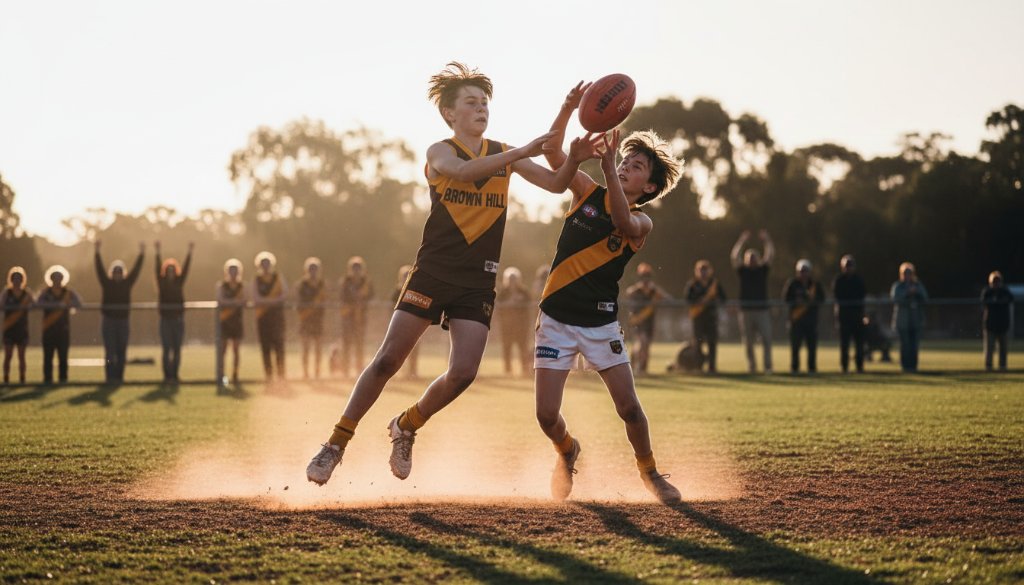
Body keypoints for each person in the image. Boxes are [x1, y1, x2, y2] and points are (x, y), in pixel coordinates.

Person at [306, 62, 599, 487]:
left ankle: (406, 425)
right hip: (433, 273)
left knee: (464, 373)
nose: (481, 109)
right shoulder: (440, 151)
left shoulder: (503, 151)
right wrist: (519, 153)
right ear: (449, 113)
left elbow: (557, 184)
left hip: (477, 280)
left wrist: (569, 129)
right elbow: (462, 172)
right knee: (388, 359)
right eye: (471, 102)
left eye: (485, 103)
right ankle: (335, 443)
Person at [532, 81, 684, 504]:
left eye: (635, 167)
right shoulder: (586, 192)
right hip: (557, 320)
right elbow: (554, 154)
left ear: (649, 188)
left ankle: (650, 473)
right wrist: (566, 110)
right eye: (625, 161)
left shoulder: (642, 224)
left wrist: (608, 168)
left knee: (630, 409)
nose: (624, 168)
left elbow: (621, 220)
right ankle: (567, 450)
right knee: (546, 416)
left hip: (600, 324)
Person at [94, 240, 145, 383]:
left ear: (123, 273)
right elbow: (99, 270)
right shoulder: (107, 283)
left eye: (120, 272)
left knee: (121, 350)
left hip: (123, 321)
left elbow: (136, 270)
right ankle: (110, 378)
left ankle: (119, 378)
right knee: (110, 350)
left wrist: (142, 254)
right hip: (109, 320)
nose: (118, 274)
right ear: (112, 273)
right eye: (115, 272)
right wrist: (97, 252)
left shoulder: (127, 283)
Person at [730, 229, 775, 373]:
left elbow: (770, 255)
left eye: (754, 258)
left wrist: (767, 240)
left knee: (767, 339)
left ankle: (768, 367)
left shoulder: (762, 270)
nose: (752, 260)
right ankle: (752, 367)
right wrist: (741, 241)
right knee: (748, 342)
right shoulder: (743, 271)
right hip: (746, 311)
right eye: (750, 258)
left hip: (762, 310)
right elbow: (734, 257)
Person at [155, 241, 193, 383]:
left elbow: (186, 268)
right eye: (168, 270)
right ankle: (166, 376)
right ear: (165, 272)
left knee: (177, 349)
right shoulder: (162, 283)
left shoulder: (179, 282)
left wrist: (189, 253)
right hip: (165, 319)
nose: (170, 272)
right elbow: (156, 268)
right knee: (166, 349)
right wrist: (157, 252)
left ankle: (175, 375)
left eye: (173, 270)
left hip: (178, 319)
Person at [37, 265, 82, 384]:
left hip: (63, 329)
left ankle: (63, 379)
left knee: (63, 356)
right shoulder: (46, 293)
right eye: (54, 278)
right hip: (48, 329)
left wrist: (67, 304)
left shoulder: (68, 292)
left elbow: (79, 303)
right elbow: (38, 303)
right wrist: (53, 305)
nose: (57, 280)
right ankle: (47, 380)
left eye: (59, 278)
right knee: (48, 357)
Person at [624, 262, 670, 377]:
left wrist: (657, 294)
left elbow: (668, 299)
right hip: (637, 321)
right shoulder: (635, 291)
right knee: (641, 343)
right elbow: (628, 294)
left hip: (649, 322)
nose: (645, 279)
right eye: (643, 276)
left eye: (647, 276)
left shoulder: (654, 291)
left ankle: (642, 368)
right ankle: (637, 367)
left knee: (645, 345)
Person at [684, 260, 726, 374]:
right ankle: (698, 367)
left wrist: (713, 301)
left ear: (710, 271)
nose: (703, 272)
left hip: (711, 318)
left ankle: (712, 367)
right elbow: (688, 299)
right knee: (698, 343)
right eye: (701, 270)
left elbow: (723, 299)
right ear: (696, 271)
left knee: (712, 342)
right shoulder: (692, 284)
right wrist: (700, 301)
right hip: (698, 318)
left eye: (705, 269)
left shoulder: (715, 284)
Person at [783, 259, 825, 374]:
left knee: (812, 347)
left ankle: (812, 369)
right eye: (801, 271)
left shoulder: (815, 285)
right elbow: (786, 299)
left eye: (805, 271)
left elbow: (822, 299)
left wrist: (811, 301)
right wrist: (797, 300)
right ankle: (794, 368)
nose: (803, 273)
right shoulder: (792, 284)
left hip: (811, 321)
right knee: (795, 347)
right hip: (796, 321)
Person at [253, 251, 287, 382]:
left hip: (277, 317)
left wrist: (267, 301)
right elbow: (255, 297)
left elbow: (284, 294)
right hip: (263, 318)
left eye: (267, 263)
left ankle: (281, 375)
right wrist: (273, 301)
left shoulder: (278, 277)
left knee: (279, 346)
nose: (265, 266)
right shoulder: (257, 279)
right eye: (263, 263)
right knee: (265, 348)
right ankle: (269, 376)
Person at [338, 256, 374, 378]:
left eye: (358, 268)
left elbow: (371, 296)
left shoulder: (366, 282)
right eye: (354, 268)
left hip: (360, 317)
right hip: (348, 317)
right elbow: (342, 296)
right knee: (347, 344)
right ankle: (345, 370)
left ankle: (359, 369)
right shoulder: (345, 282)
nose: (356, 271)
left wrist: (361, 300)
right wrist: (354, 299)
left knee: (359, 344)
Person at [832, 254, 867, 373]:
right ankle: (844, 366)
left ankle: (859, 366)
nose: (848, 268)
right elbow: (838, 295)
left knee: (859, 344)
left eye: (850, 266)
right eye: (847, 266)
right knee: (844, 344)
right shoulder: (839, 280)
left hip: (857, 317)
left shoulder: (859, 280)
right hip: (844, 317)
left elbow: (861, 294)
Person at [890, 262, 928, 373]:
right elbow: (895, 299)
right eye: (905, 273)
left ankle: (914, 367)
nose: (908, 275)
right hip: (902, 321)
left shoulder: (918, 285)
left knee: (914, 345)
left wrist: (916, 293)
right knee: (905, 345)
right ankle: (905, 367)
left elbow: (925, 298)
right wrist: (907, 293)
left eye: (910, 273)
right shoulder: (898, 286)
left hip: (916, 321)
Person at [495, 266, 533, 377]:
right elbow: (498, 305)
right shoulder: (503, 292)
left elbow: (529, 304)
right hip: (507, 326)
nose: (512, 281)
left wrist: (519, 301)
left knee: (523, 347)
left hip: (521, 326)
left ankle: (525, 369)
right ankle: (508, 370)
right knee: (507, 347)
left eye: (514, 279)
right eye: (510, 279)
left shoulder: (524, 292)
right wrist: (509, 303)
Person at [2, 267, 34, 384]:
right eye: (14, 278)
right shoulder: (7, 293)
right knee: (8, 355)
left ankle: (22, 377)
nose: (17, 281)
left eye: (19, 278)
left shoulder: (26, 293)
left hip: (22, 328)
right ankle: (6, 377)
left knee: (21, 355)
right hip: (9, 328)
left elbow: (34, 304)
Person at [216, 259, 246, 385]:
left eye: (235, 270)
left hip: (237, 321)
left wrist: (231, 302)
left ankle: (235, 374)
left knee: (236, 350)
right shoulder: (222, 285)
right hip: (224, 321)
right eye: (231, 270)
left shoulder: (242, 286)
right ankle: (222, 375)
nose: (233, 273)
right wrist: (235, 302)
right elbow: (220, 300)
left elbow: (244, 300)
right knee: (223, 350)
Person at [297, 257, 327, 380]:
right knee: (306, 347)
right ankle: (305, 372)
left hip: (318, 319)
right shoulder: (303, 284)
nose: (313, 271)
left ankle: (317, 371)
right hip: (306, 319)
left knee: (318, 347)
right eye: (311, 269)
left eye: (315, 269)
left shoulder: (321, 284)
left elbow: (325, 299)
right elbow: (301, 301)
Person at [389, 264, 419, 379]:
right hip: (400, 326)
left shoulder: (417, 291)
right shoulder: (397, 292)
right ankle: (396, 371)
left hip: (414, 326)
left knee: (413, 348)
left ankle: (412, 371)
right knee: (397, 349)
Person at [981, 270, 1014, 371]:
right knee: (989, 348)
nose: (996, 283)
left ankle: (1002, 367)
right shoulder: (988, 291)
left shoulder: (1005, 291)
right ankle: (988, 367)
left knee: (1003, 348)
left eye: (998, 281)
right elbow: (983, 300)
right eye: (994, 281)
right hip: (990, 325)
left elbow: (1011, 298)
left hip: (1003, 325)